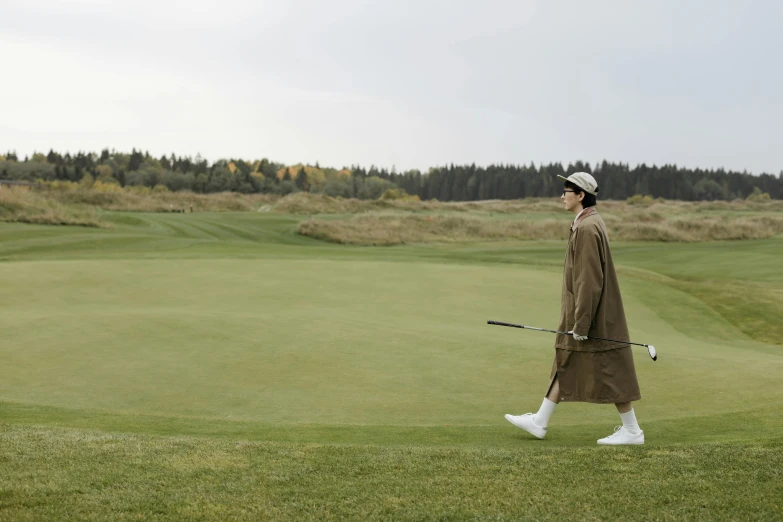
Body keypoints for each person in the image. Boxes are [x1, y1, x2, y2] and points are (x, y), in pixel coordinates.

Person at [504, 172, 644, 445]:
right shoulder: (587, 222)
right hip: (585, 313)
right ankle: (540, 421)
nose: (562, 195)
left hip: (591, 317)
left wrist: (581, 323)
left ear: (581, 195)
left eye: (567, 190)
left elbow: (589, 281)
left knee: (610, 368)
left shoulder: (588, 227)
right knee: (566, 360)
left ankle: (632, 431)